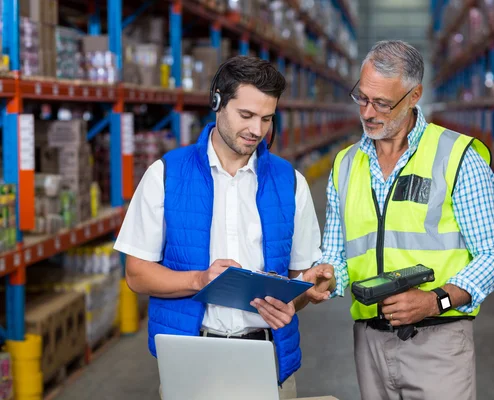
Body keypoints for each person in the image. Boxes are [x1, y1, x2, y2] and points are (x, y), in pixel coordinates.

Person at [114, 55, 331, 399]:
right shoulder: (166, 175)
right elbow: (137, 274)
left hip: (268, 358)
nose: (257, 131)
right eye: (245, 115)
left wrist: (303, 293)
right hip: (191, 357)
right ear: (217, 102)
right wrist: (199, 280)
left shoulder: (290, 183)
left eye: (266, 118)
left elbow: (301, 279)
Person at [306, 40, 494, 399]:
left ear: (414, 95)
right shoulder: (345, 164)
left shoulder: (457, 157)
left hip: (439, 342)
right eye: (362, 98)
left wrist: (436, 300)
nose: (368, 112)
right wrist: (325, 276)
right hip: (369, 340)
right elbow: (337, 254)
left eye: (382, 103)